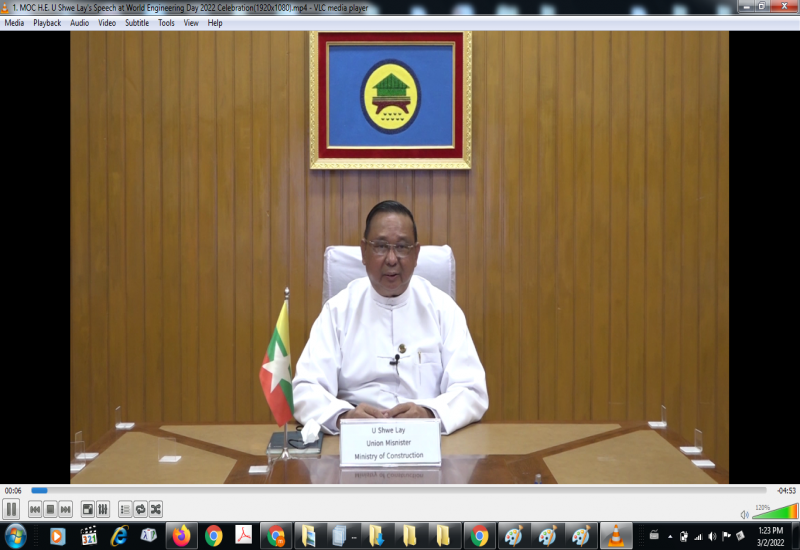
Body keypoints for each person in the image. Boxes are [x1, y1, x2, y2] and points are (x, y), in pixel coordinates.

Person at [292, 200, 489, 435]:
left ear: (416, 254)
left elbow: (471, 390)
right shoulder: (338, 311)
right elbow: (304, 389)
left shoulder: (443, 310)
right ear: (364, 252)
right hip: (357, 439)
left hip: (426, 438)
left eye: (403, 247)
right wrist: (344, 417)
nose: (392, 259)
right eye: (381, 246)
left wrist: (429, 413)